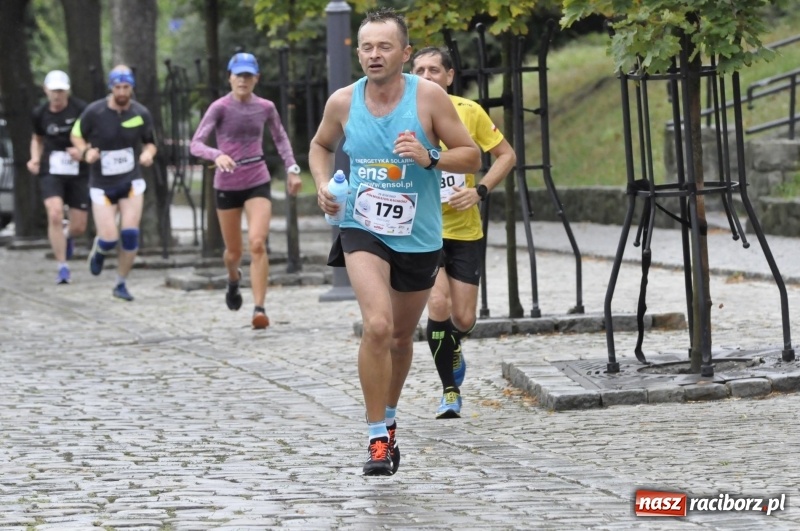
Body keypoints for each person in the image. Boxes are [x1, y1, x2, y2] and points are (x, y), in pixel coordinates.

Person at [309, 8, 481, 476]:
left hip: (419, 235)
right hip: (362, 225)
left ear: (404, 53)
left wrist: (429, 157)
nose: (374, 54)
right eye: (366, 47)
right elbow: (321, 146)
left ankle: (389, 419)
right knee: (379, 327)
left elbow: (471, 154)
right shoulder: (344, 101)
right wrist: (324, 186)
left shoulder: (428, 98)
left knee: (403, 336)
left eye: (384, 46)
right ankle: (375, 439)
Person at [410, 47, 517, 419]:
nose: (427, 76)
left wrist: (479, 191)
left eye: (434, 70)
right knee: (437, 305)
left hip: (464, 229)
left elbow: (506, 155)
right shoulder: (402, 114)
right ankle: (450, 391)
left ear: (449, 76)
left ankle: (453, 342)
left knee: (464, 318)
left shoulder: (468, 112)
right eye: (419, 69)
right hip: (422, 230)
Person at [190, 52, 302, 329]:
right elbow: (196, 144)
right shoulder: (219, 107)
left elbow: (280, 138)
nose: (243, 80)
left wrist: (292, 168)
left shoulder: (265, 107)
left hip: (257, 180)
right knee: (233, 252)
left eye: (248, 75)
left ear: (256, 79)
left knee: (257, 243)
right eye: (238, 75)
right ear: (230, 77)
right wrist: (216, 154)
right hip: (227, 184)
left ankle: (259, 309)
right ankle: (232, 278)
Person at [71, 65, 157, 302]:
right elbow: (76, 134)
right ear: (111, 87)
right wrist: (85, 150)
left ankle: (121, 282)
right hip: (101, 184)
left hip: (131, 181)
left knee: (130, 234)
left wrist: (148, 154)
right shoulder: (94, 111)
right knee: (109, 238)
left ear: (132, 88)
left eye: (126, 87)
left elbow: (150, 141)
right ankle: (100, 250)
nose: (121, 92)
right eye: (117, 87)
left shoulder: (140, 113)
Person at [27, 70, 90, 285]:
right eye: (54, 91)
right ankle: (62, 267)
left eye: (61, 91)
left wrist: (82, 151)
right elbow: (37, 139)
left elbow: (95, 137)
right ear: (46, 91)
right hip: (51, 169)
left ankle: (67, 234)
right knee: (54, 213)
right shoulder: (40, 113)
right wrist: (34, 159)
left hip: (77, 171)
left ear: (68, 91)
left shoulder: (81, 110)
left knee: (79, 226)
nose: (57, 96)